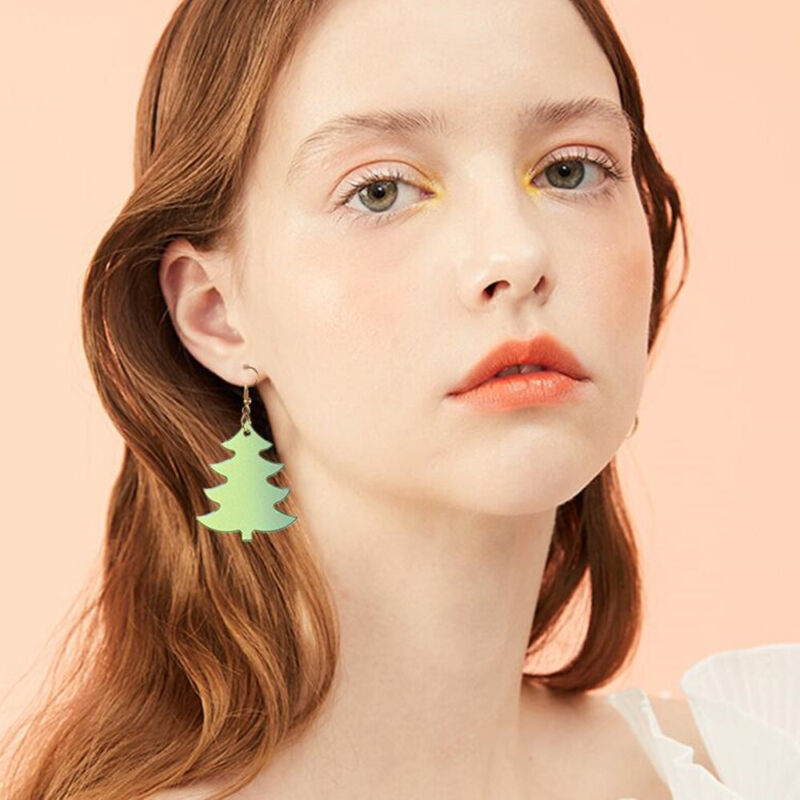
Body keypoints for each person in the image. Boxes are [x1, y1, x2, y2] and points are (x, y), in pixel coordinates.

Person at [2, 0, 741, 797]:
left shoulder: (758, 756)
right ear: (217, 314)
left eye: (571, 170)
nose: (517, 253)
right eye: (382, 190)